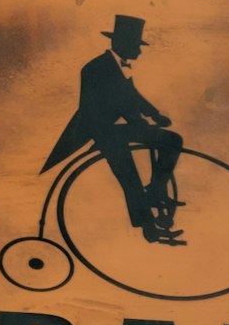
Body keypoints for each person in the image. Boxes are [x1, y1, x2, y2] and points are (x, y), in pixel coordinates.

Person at [42, 15, 187, 243]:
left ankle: (157, 190)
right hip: (104, 132)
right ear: (123, 44)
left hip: (118, 129)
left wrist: (154, 113)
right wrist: (137, 121)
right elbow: (114, 102)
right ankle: (149, 227)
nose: (139, 53)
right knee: (130, 178)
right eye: (136, 47)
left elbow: (132, 96)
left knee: (172, 140)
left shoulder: (118, 66)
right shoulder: (97, 68)